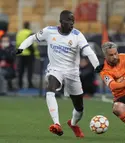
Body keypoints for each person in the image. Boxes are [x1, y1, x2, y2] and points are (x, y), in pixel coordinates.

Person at [15, 10, 103, 138]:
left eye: (73, 21)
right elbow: (33, 38)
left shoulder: (77, 35)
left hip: (72, 73)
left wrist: (96, 66)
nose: (72, 24)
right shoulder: (49, 31)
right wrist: (21, 48)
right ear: (61, 22)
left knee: (79, 108)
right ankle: (57, 124)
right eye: (69, 21)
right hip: (55, 70)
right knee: (50, 89)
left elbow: (89, 51)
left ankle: (73, 123)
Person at [16, 22, 40, 89]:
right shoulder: (29, 32)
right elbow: (30, 44)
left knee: (21, 70)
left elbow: (17, 43)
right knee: (30, 70)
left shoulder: (19, 33)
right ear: (29, 26)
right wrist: (33, 52)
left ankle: (20, 84)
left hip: (21, 54)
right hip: (29, 54)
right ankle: (30, 84)